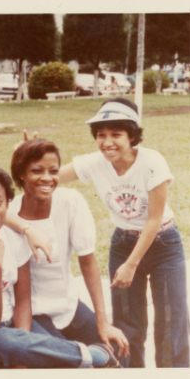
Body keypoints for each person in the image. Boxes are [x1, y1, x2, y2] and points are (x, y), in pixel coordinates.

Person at [57, 97, 190, 368]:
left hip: (163, 243)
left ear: (132, 135)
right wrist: (25, 155)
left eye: (116, 134)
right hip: (123, 242)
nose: (107, 143)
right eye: (101, 135)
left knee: (171, 322)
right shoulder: (93, 162)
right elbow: (48, 178)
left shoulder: (153, 162)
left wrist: (131, 264)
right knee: (127, 323)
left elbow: (153, 219)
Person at [0, 165, 121, 368]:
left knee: (43, 353)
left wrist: (23, 353)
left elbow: (22, 300)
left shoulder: (14, 238)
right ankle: (93, 355)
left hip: (13, 323)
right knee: (10, 342)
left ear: (7, 204)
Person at [9, 138, 130, 363]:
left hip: (67, 305)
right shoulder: (9, 212)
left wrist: (103, 322)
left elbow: (88, 262)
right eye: (36, 170)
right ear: (21, 174)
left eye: (53, 171)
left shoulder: (70, 202)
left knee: (115, 349)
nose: (47, 178)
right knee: (68, 363)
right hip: (33, 312)